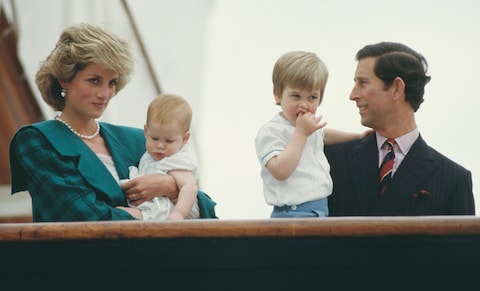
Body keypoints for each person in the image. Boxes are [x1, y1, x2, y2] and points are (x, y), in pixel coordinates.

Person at [9, 23, 216, 222]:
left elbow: (207, 212)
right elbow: (82, 217)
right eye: (94, 80)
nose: (105, 94)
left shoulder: (140, 140)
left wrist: (169, 186)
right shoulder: (38, 140)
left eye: (112, 82)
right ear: (64, 78)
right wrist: (148, 216)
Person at [325, 41, 475, 216]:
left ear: (397, 88)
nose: (353, 95)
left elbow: (463, 244)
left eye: (363, 83)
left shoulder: (453, 179)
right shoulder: (329, 159)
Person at [255, 51, 367, 218]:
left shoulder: (308, 129)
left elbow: (323, 135)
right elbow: (280, 170)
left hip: (321, 209)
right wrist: (301, 133)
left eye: (312, 97)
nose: (304, 104)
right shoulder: (272, 131)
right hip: (293, 213)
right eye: (296, 96)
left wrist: (357, 137)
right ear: (278, 94)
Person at [121, 93, 200, 220]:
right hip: (147, 205)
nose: (160, 146)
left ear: (184, 139)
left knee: (120, 214)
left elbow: (189, 187)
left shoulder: (177, 160)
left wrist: (179, 213)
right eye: (155, 138)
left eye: (169, 141)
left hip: (164, 211)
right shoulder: (150, 155)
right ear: (146, 131)